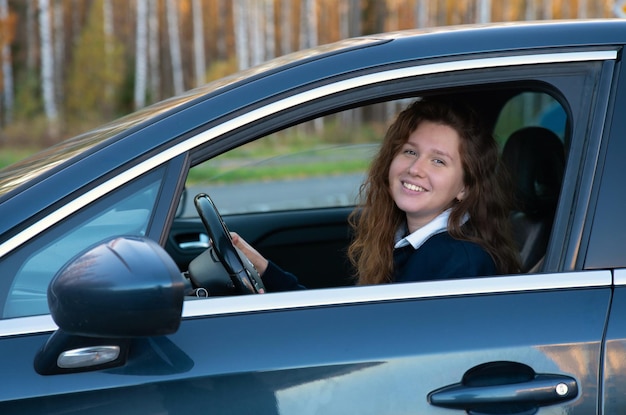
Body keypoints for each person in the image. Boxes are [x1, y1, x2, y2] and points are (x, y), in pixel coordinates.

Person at [232, 97, 520, 291]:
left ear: (464, 187)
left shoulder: (457, 263)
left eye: (438, 160)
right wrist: (264, 269)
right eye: (410, 151)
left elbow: (364, 346)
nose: (415, 168)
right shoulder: (409, 241)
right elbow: (355, 326)